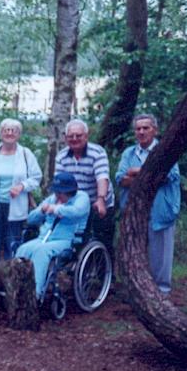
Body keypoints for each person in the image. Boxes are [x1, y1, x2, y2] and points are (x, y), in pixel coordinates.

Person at [115, 114, 180, 294]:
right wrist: (149, 176)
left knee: (161, 256)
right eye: (138, 128)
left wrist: (136, 172)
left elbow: (167, 176)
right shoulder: (129, 153)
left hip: (160, 210)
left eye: (146, 128)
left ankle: (161, 293)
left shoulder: (166, 151)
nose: (141, 132)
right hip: (134, 213)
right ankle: (138, 292)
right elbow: (120, 178)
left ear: (155, 130)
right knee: (136, 252)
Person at [0, 118, 42, 261]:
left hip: (15, 207)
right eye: (6, 130)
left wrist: (22, 186)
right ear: (0, 133)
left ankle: (10, 281)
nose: (10, 133)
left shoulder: (26, 154)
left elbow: (36, 177)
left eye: (14, 130)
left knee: (12, 247)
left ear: (19, 134)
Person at [16, 172, 91, 300]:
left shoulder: (82, 198)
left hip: (67, 240)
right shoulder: (52, 199)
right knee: (23, 250)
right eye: (57, 192)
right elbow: (31, 219)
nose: (57, 195)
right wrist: (42, 210)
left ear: (69, 192)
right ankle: (16, 288)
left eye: (60, 193)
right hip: (44, 238)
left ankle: (36, 293)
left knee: (41, 252)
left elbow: (76, 212)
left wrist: (56, 209)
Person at [54, 119, 114, 251]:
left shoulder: (97, 153)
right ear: (65, 137)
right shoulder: (61, 156)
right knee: (78, 240)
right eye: (71, 136)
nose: (74, 139)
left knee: (103, 240)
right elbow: (59, 182)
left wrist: (101, 199)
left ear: (86, 136)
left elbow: (102, 177)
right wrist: (59, 202)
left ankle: (106, 269)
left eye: (79, 135)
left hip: (98, 200)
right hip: (76, 203)